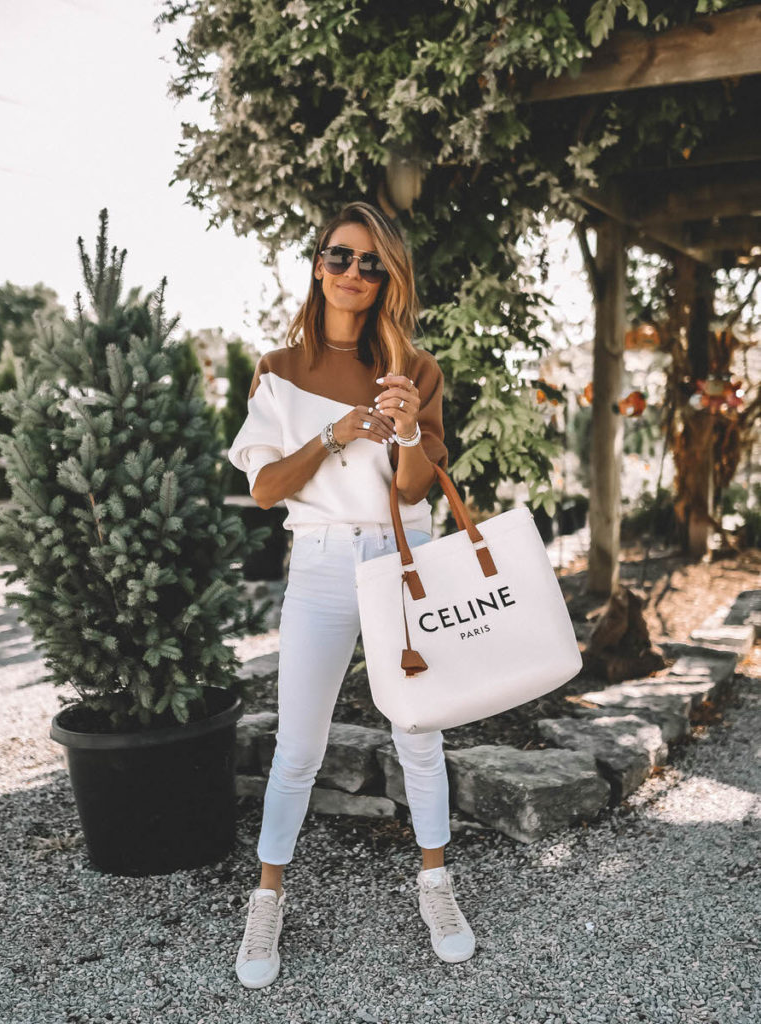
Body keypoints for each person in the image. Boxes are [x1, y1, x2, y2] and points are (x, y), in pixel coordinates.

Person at [226, 200, 475, 989]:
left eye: (372, 264)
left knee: (418, 732)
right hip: (323, 563)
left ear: (387, 278)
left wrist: (403, 429)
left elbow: (411, 491)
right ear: (316, 264)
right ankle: (266, 897)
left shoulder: (416, 367)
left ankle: (435, 884)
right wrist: (335, 435)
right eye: (341, 257)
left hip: (402, 559)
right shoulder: (279, 370)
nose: (354, 274)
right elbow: (265, 488)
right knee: (298, 747)